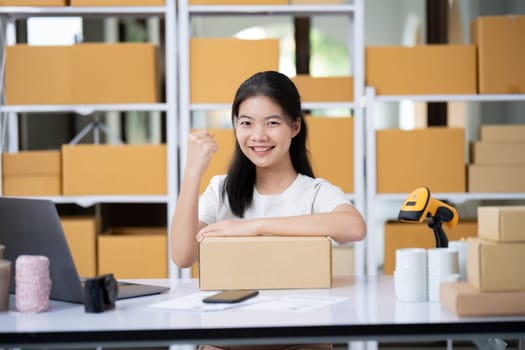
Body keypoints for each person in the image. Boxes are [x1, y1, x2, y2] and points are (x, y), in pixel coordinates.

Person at [170, 70, 366, 350]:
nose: (258, 136)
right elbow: (183, 255)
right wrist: (192, 172)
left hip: (299, 340)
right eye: (246, 123)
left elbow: (354, 228)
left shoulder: (314, 191)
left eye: (272, 123)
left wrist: (256, 226)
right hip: (226, 340)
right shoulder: (220, 189)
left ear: (295, 126)